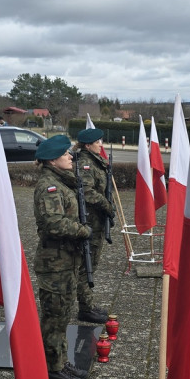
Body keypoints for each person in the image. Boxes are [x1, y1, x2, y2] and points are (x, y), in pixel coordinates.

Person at [32, 135, 92, 379]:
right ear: (53, 160)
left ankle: (59, 361)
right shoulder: (49, 186)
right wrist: (82, 230)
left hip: (66, 261)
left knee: (62, 315)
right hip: (54, 264)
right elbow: (52, 222)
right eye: (65, 154)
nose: (70, 157)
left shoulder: (60, 181)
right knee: (54, 317)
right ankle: (52, 370)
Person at [73, 128, 111, 324]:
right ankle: (85, 308)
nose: (101, 145)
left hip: (94, 220)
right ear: (88, 145)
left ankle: (87, 304)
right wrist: (106, 204)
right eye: (98, 142)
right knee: (86, 265)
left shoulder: (94, 159)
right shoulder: (86, 163)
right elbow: (86, 191)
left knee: (91, 264)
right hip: (89, 220)